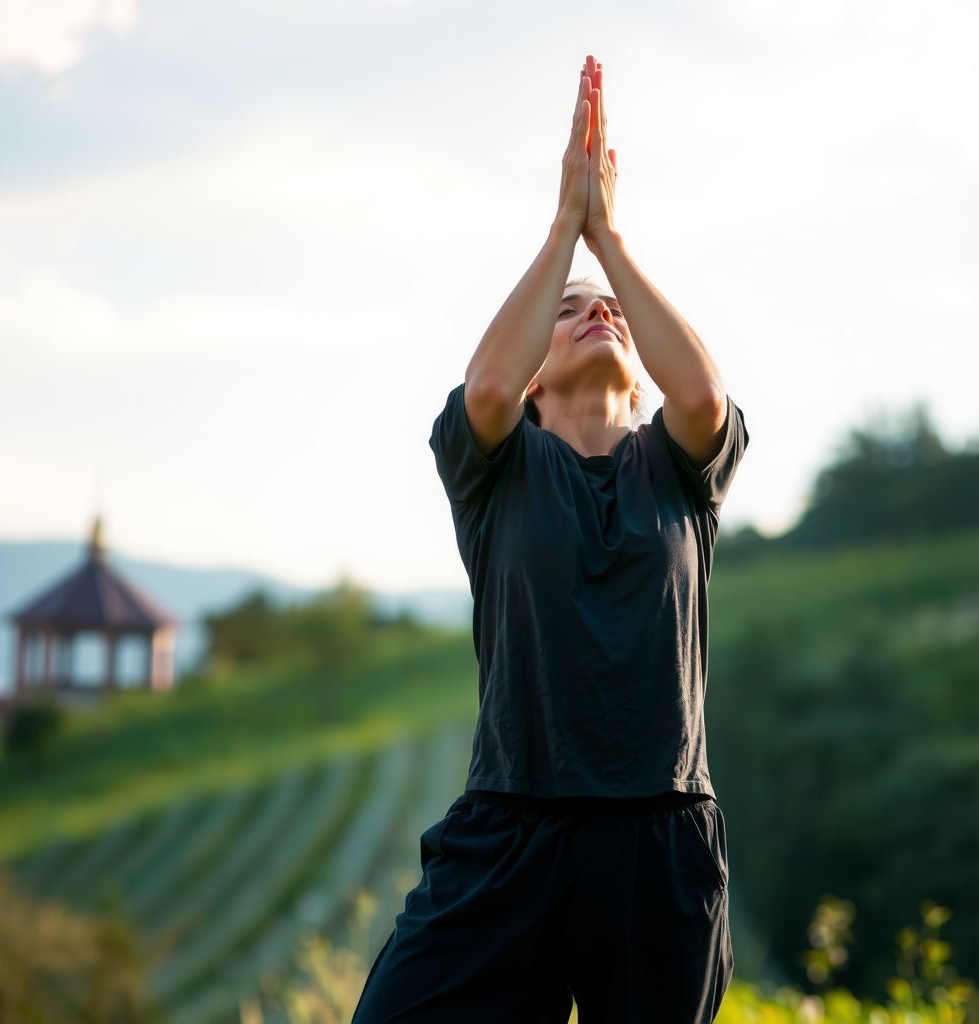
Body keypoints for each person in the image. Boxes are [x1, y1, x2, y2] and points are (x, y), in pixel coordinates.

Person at [353, 55, 748, 1024]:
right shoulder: (496, 465)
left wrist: (606, 238)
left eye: (607, 307)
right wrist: (560, 229)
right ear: (535, 375)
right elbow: (485, 388)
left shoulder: (679, 463)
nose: (595, 312)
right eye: (567, 311)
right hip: (511, 827)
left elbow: (700, 392)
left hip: (659, 835)